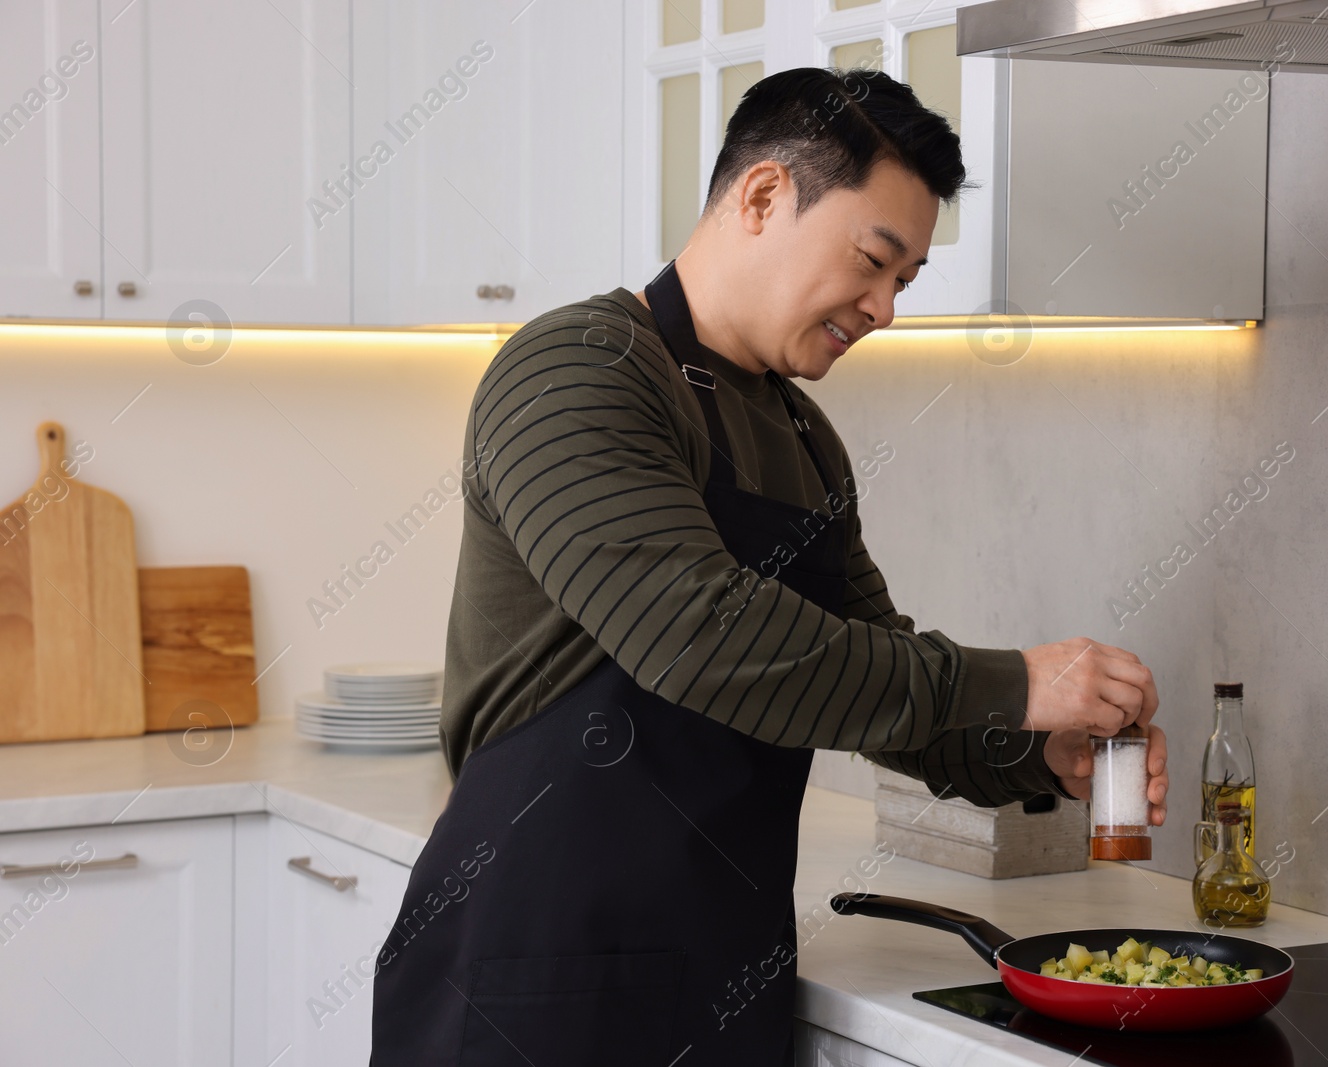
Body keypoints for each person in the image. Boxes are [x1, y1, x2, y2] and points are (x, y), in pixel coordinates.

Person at [368, 66, 1167, 1067]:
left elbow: (862, 666)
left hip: (719, 970)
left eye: (905, 282)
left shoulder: (805, 434)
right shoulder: (573, 367)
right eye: (873, 261)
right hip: (534, 973)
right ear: (761, 196)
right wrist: (1016, 678)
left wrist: (1027, 746)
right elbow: (699, 635)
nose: (883, 307)